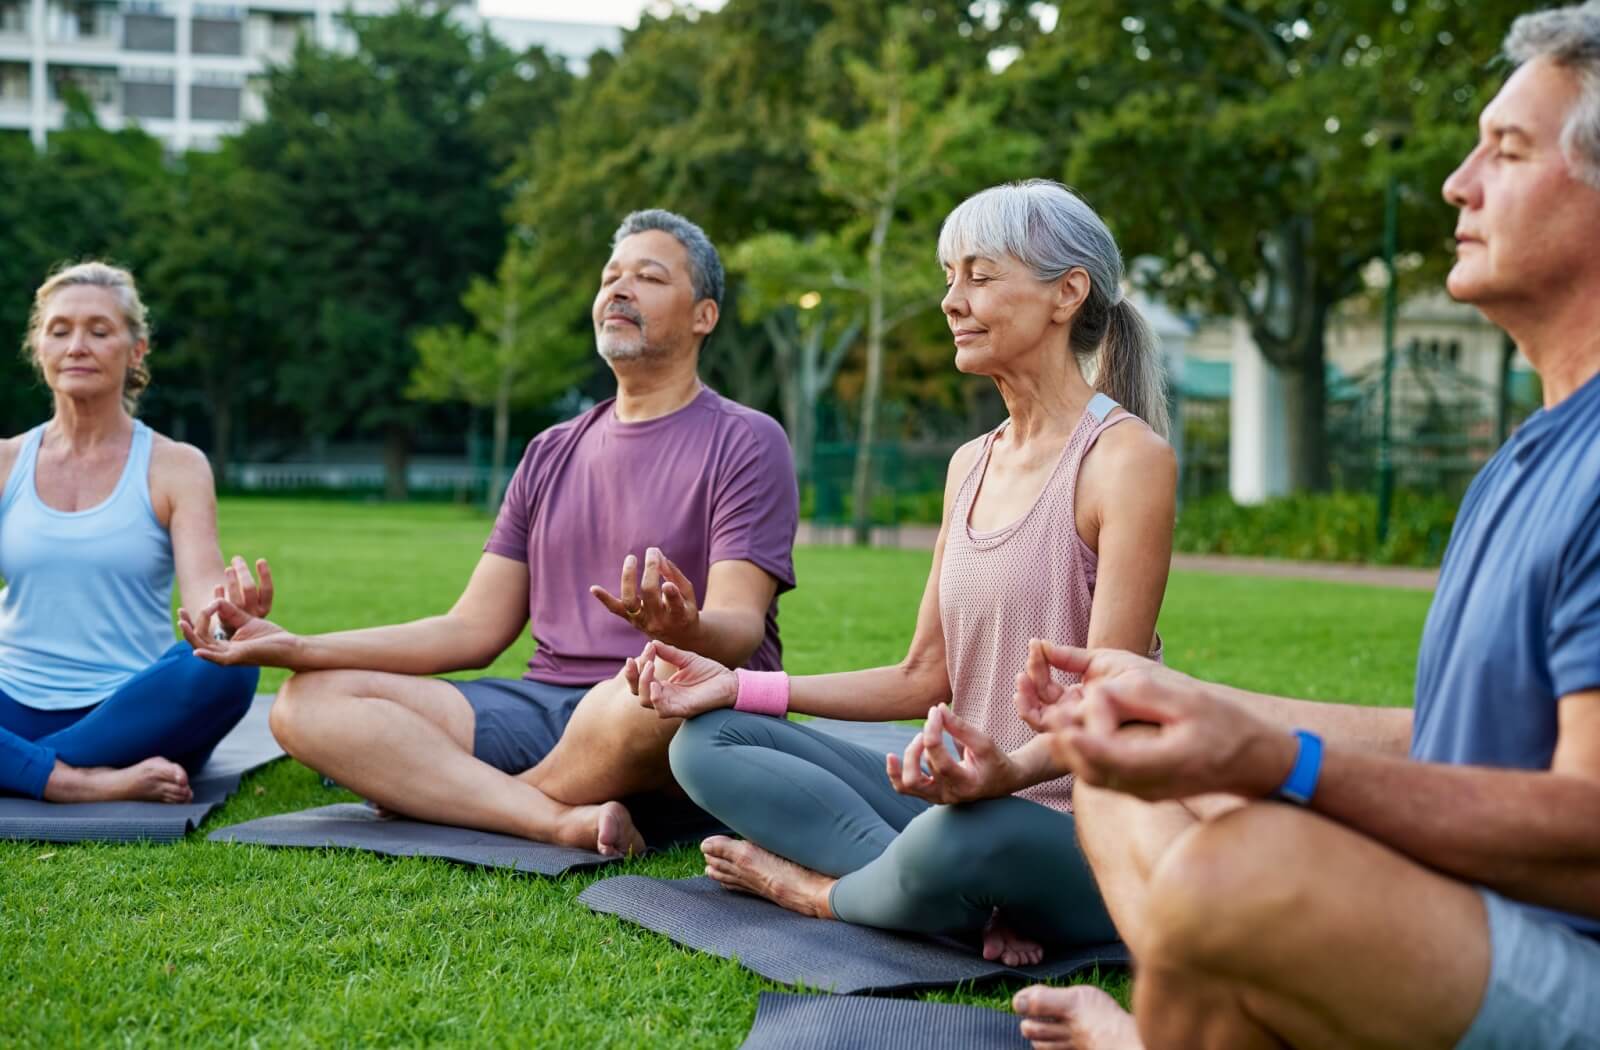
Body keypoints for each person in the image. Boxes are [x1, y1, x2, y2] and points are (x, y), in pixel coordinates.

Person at [1006, 8, 1600, 1049]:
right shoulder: (1524, 457)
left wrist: (1279, 760)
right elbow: (1453, 744)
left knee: (1246, 872)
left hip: (1569, 957)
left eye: (1504, 151)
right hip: (1457, 909)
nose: (1457, 182)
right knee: (1109, 777)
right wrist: (1184, 704)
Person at [637, 180, 1176, 964]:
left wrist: (1002, 778)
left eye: (980, 276)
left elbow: (1108, 700)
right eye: (948, 277)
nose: (952, 300)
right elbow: (923, 674)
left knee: (971, 838)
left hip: (1071, 824)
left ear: (1067, 294)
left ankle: (820, 891)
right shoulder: (970, 465)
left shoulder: (1127, 461)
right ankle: (933, 897)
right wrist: (733, 685)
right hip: (962, 803)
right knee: (707, 741)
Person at [183, 210, 797, 856]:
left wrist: (684, 632)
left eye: (648, 277)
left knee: (648, 687)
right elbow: (470, 630)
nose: (618, 290)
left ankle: (479, 801)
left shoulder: (746, 440)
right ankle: (547, 819)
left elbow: (739, 628)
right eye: (610, 276)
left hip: (663, 707)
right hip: (540, 707)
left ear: (704, 315)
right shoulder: (549, 451)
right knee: (305, 705)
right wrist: (298, 648)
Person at [0, 262, 263, 804]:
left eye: (99, 331)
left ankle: (22, 766)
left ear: (136, 350)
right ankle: (72, 780)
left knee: (232, 668)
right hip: (12, 698)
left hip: (134, 708)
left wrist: (232, 619)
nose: (77, 345)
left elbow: (205, 613)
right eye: (59, 330)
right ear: (38, 349)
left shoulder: (176, 466)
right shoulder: (5, 463)